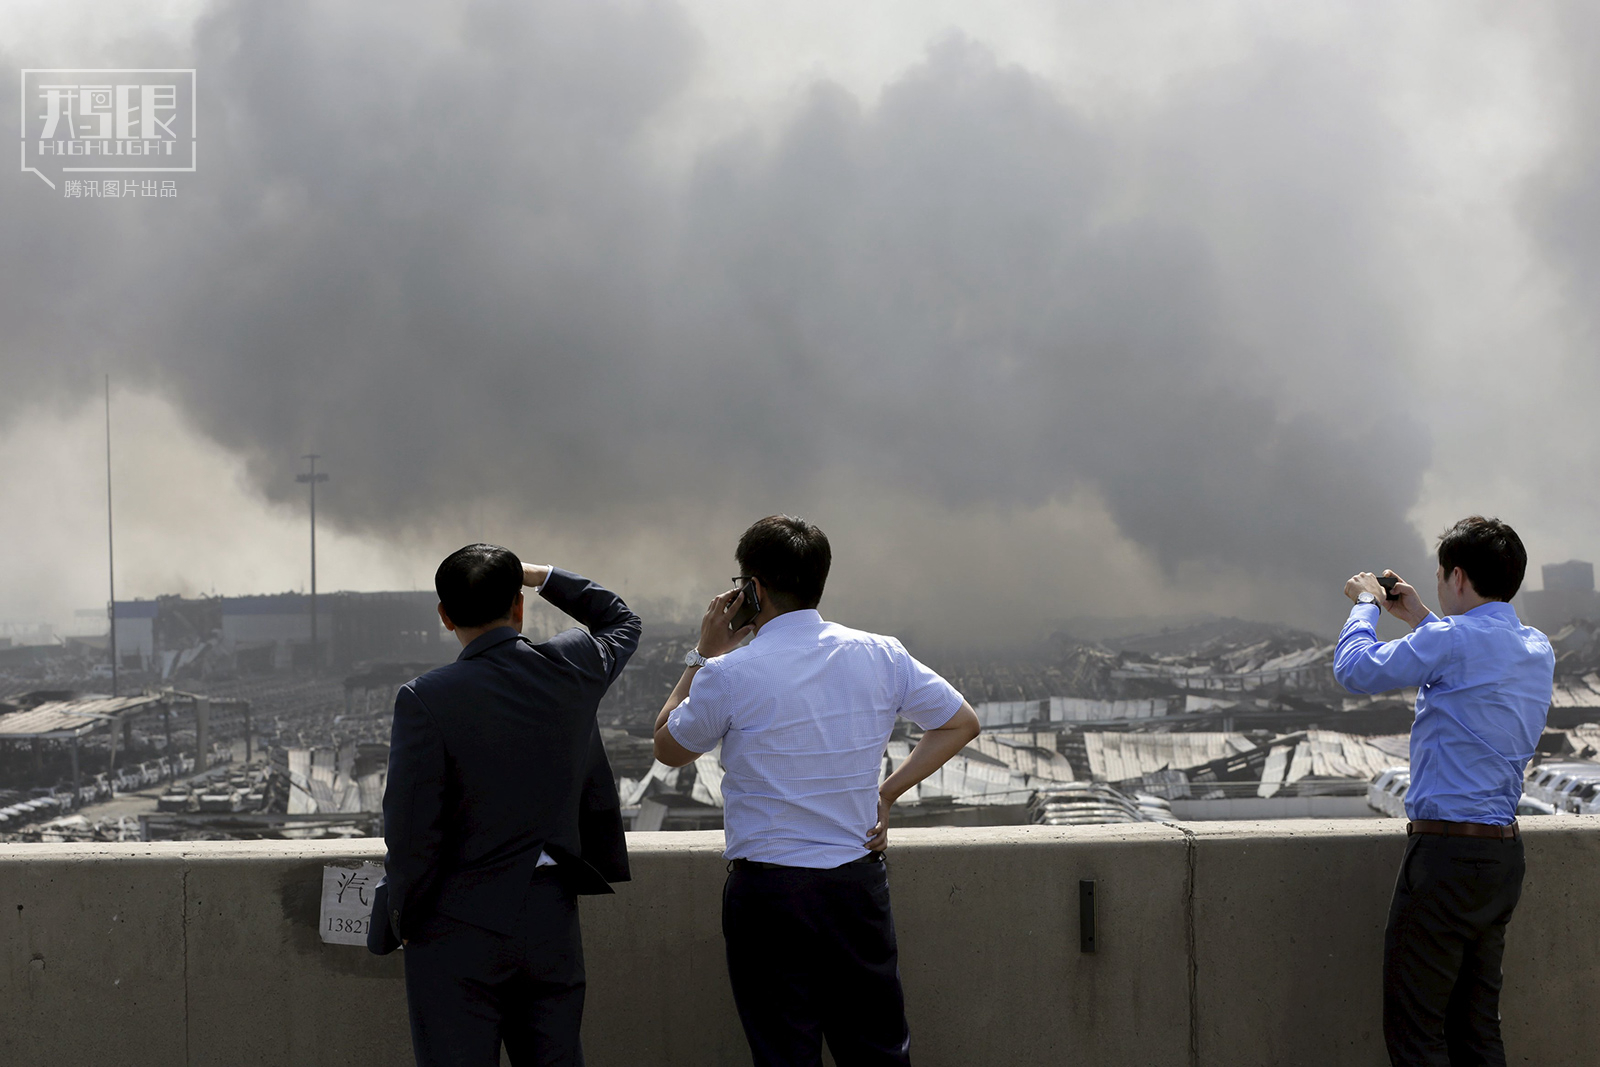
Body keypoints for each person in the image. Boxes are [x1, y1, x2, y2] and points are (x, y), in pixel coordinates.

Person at [653, 515, 982, 1067]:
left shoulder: (730, 672)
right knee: (877, 1051)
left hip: (770, 896)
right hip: (856, 887)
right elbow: (960, 723)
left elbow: (667, 746)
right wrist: (888, 792)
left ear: (752, 590)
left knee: (785, 1055)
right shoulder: (881, 652)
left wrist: (702, 655)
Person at [369, 544, 640, 1067]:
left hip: (455, 926)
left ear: (445, 617)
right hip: (550, 921)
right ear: (518, 607)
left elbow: (409, 834)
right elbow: (620, 619)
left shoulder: (426, 697)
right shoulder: (575, 665)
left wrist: (397, 919)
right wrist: (544, 576)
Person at [1334, 516, 1554, 1067]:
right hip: (1501, 857)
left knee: (1417, 1033)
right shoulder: (1536, 648)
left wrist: (1365, 604)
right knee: (1476, 1029)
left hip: (1444, 859)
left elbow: (1354, 669)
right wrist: (1417, 617)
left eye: (1439, 576)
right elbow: (1470, 660)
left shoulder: (1450, 639)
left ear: (1457, 577)